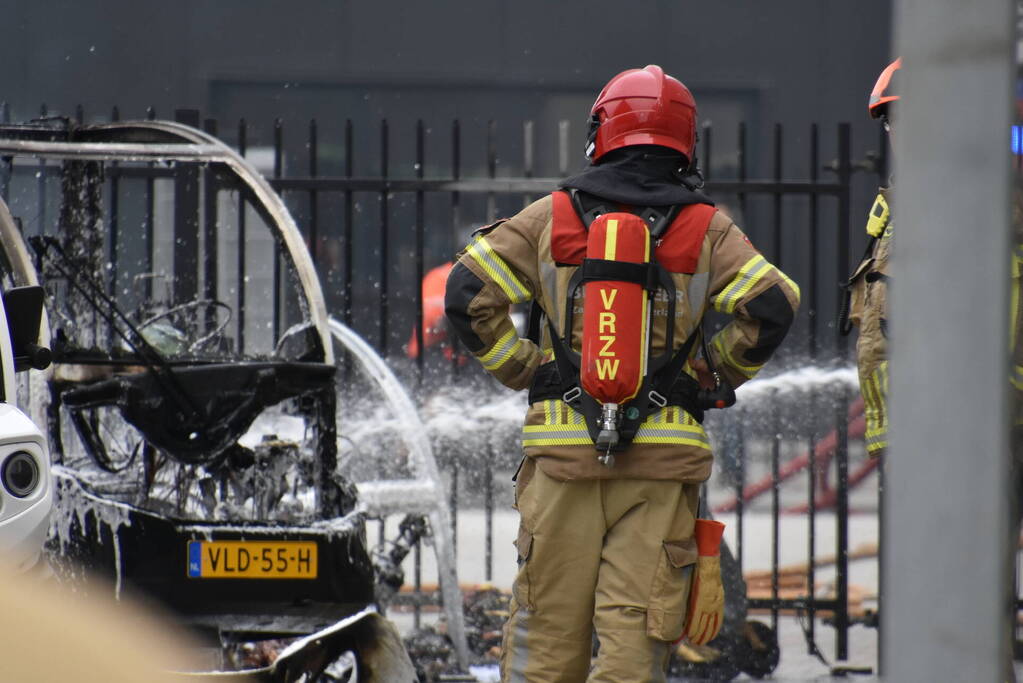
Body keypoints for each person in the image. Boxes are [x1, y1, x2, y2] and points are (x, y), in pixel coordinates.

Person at [445, 65, 800, 682]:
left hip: (561, 462)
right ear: (686, 141)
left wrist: (526, 369)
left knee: (546, 640)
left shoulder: (553, 217)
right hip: (661, 470)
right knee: (636, 644)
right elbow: (772, 306)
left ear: (601, 132)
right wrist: (710, 375)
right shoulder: (705, 227)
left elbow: (467, 294)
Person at [840, 58, 900, 459]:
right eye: (892, 121)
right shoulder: (899, 208)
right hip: (911, 432)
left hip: (965, 431)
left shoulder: (982, 207)